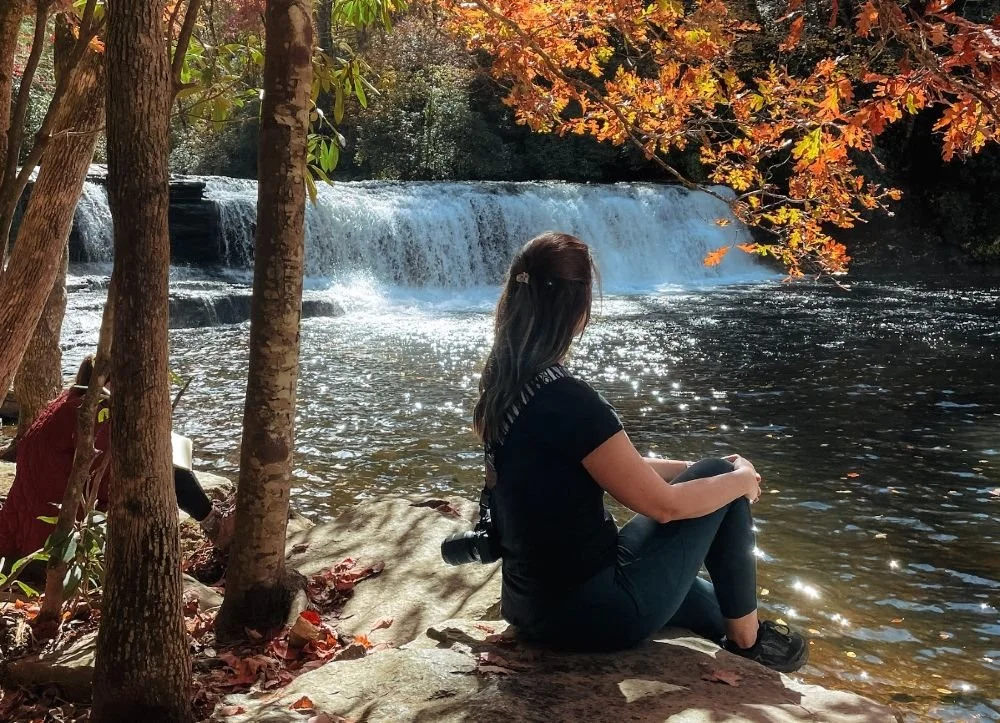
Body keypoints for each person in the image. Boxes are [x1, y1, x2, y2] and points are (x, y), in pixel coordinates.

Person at [473, 232, 808, 671]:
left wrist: (690, 469)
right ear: (578, 309)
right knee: (720, 483)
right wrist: (738, 481)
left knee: (713, 607)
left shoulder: (505, 385)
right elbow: (664, 507)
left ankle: (741, 629)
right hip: (594, 613)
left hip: (530, 604)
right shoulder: (570, 400)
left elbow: (601, 466)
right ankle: (748, 645)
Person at [0, 356, 233, 562]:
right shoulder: (92, 415)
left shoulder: (65, 403)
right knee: (170, 472)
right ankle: (216, 526)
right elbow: (112, 479)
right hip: (49, 541)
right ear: (109, 383)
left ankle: (213, 520)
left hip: (17, 529)